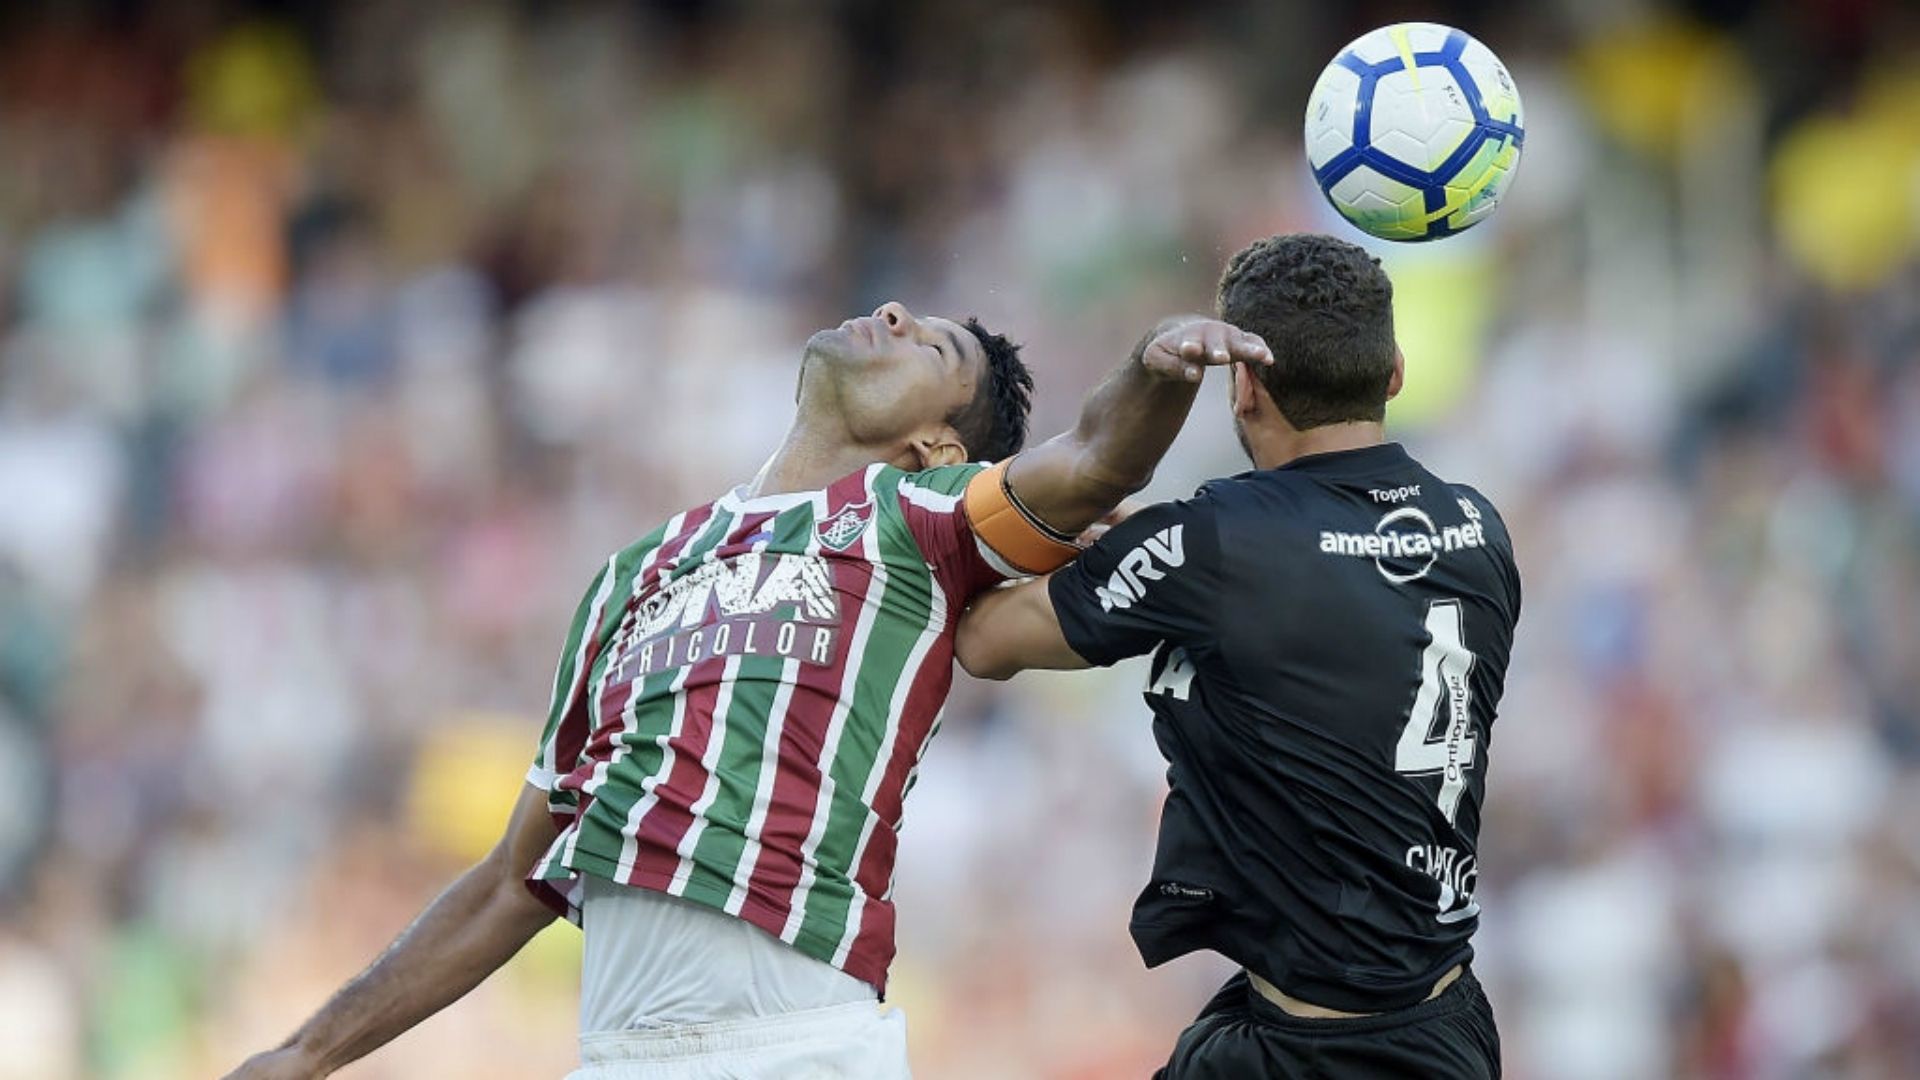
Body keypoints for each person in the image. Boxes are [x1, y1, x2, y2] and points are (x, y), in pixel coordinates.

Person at [223, 300, 1271, 1080]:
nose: (893, 314)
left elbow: (1094, 461)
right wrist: (308, 1053)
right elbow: (513, 879)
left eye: (932, 347)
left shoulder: (918, 517)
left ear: (938, 447)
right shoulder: (634, 571)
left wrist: (1157, 363)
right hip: (618, 1053)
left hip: (796, 1044)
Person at [956, 234, 1520, 1079]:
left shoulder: (1217, 543)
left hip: (1322, 1054)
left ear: (1244, 386)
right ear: (1395, 373)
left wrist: (1124, 533)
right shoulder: (1480, 528)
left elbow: (983, 639)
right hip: (1445, 1028)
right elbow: (1329, 606)